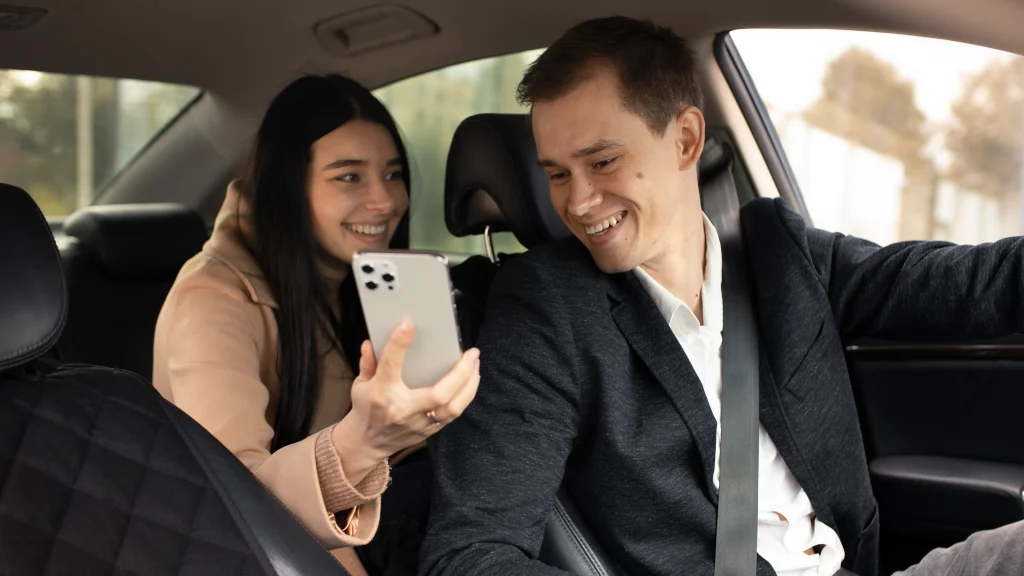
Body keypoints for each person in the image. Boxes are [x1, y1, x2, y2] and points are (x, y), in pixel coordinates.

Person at [420, 16, 1024, 576]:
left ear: (685, 140)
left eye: (602, 162)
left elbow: (965, 283)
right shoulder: (544, 308)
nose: (577, 202)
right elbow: (473, 552)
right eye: (556, 173)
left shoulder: (774, 249)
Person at [152, 74, 480, 576]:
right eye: (349, 176)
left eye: (393, 174)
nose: (385, 201)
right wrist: (363, 440)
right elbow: (233, 499)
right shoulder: (213, 297)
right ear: (287, 186)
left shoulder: (364, 277)